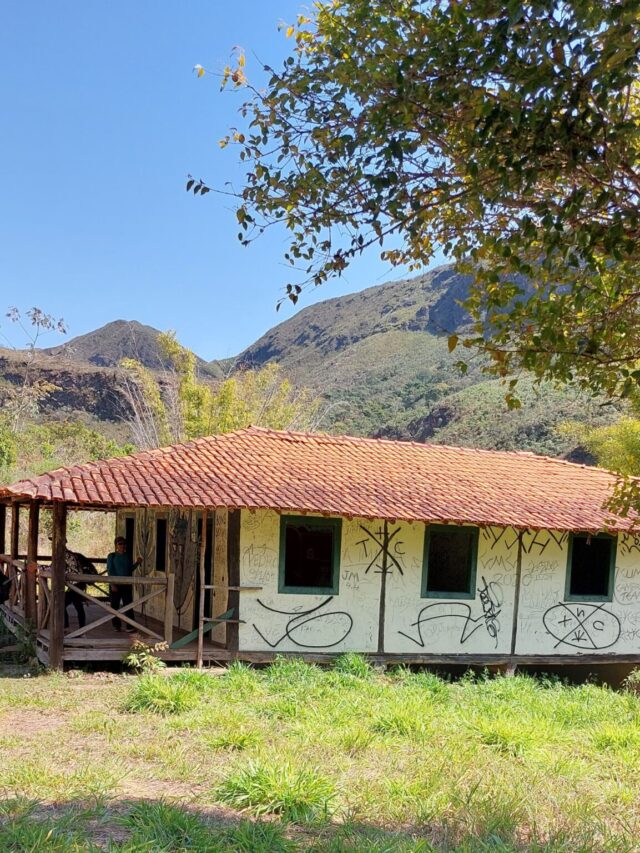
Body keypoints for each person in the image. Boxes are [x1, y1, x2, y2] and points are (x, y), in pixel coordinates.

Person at [106, 537, 142, 632]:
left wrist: (137, 563)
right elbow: (110, 571)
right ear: (116, 545)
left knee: (128, 605)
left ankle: (130, 626)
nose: (122, 546)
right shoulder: (112, 556)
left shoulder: (127, 556)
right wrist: (112, 584)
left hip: (126, 584)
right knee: (115, 606)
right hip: (115, 584)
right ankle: (116, 625)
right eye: (120, 543)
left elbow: (129, 569)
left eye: (123, 544)